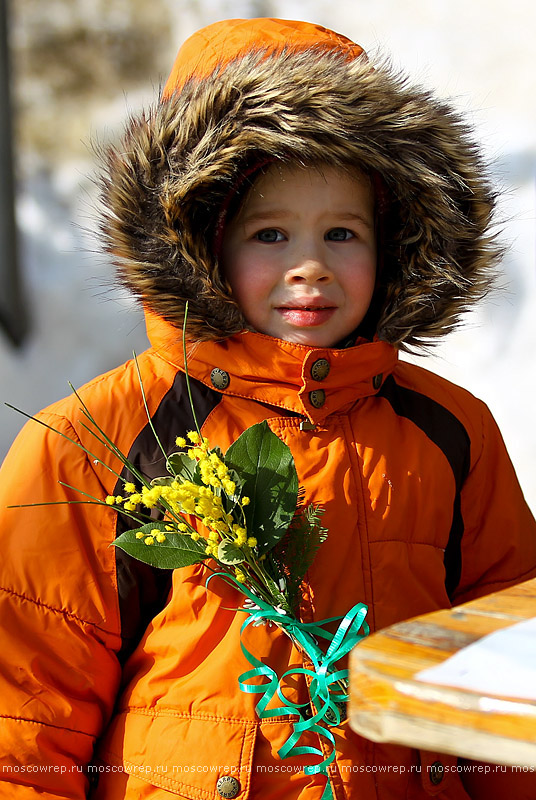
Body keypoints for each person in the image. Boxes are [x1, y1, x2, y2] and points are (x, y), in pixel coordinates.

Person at [0, 17, 535, 800]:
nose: (309, 268)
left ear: (395, 243)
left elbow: (502, 686)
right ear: (200, 242)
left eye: (342, 232)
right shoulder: (100, 439)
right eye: (271, 234)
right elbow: (25, 712)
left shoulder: (449, 434)